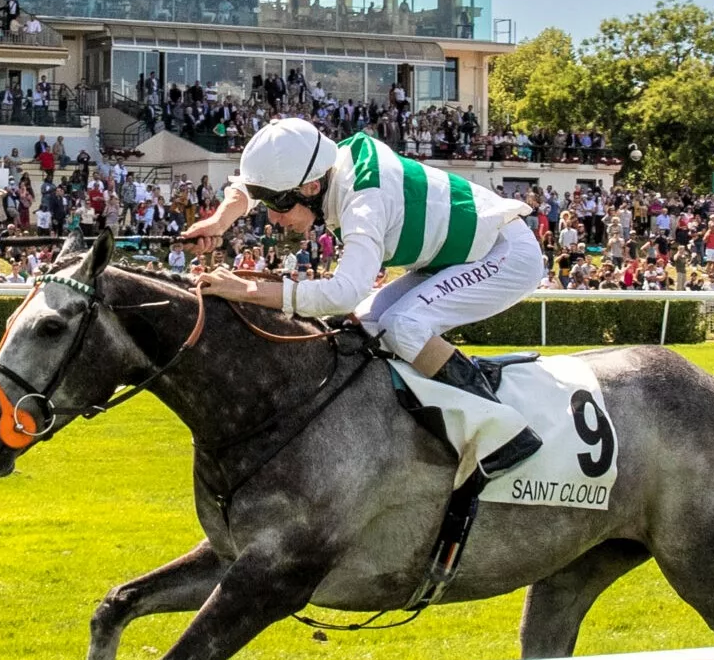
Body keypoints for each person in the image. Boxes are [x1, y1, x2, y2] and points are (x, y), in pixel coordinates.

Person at [185, 117, 545, 463]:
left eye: (278, 205)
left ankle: (506, 429)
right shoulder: (320, 165)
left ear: (311, 189)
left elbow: (343, 293)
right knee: (365, 330)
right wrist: (218, 221)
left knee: (404, 326)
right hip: (454, 256)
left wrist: (245, 289)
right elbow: (245, 187)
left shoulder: (364, 199)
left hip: (504, 251)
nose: (273, 219)